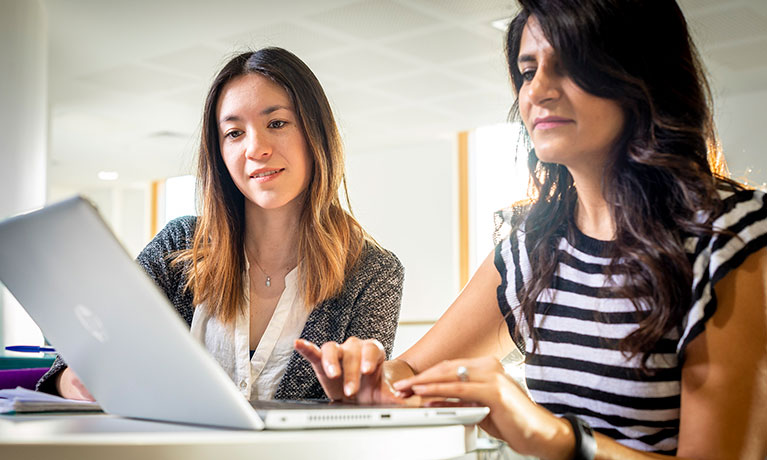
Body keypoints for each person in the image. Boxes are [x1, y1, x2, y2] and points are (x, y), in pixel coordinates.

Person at [295, 1, 767, 458]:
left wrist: (558, 439)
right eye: (527, 72)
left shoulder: (729, 236)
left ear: (642, 76)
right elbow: (413, 369)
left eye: (569, 64)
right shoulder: (531, 247)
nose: (538, 90)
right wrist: (372, 380)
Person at [36, 47, 404, 403]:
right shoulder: (179, 245)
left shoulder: (372, 272)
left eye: (276, 123)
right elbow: (71, 363)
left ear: (316, 134)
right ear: (220, 151)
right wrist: (78, 381)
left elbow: (360, 408)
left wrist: (364, 388)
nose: (255, 148)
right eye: (234, 133)